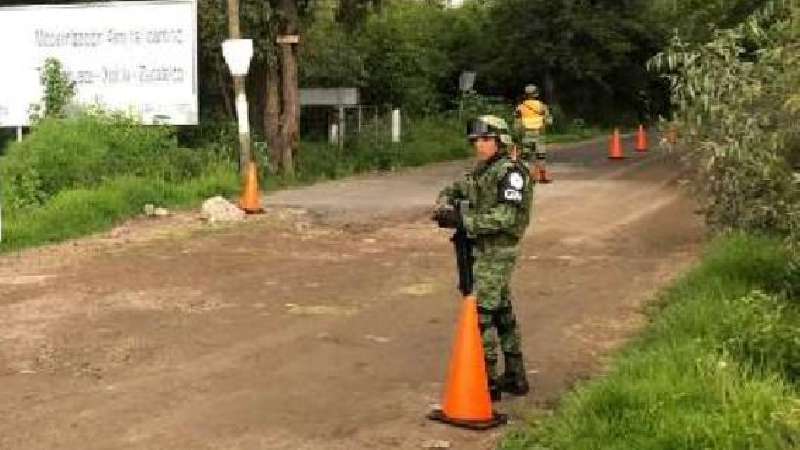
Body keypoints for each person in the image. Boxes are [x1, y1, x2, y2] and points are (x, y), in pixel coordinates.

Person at [432, 115, 533, 401]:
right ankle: (515, 375)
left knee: (481, 313)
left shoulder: (511, 173)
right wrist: (444, 205)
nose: (479, 145)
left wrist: (464, 221)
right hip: (481, 247)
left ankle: (485, 382)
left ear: (501, 141)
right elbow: (454, 189)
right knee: (501, 312)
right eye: (476, 140)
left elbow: (506, 216)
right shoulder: (482, 171)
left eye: (485, 139)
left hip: (499, 249)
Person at [514, 84, 553, 182]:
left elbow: (517, 124)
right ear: (536, 94)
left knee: (525, 157)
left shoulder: (520, 107)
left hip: (526, 134)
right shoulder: (542, 106)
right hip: (539, 134)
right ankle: (543, 177)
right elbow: (549, 121)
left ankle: (526, 178)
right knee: (541, 156)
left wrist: (518, 135)